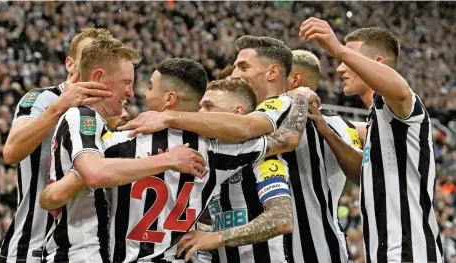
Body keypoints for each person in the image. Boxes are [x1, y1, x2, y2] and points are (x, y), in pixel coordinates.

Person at [42, 58, 308, 263]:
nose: (141, 95)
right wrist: (298, 97)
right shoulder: (219, 152)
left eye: (149, 87)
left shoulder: (115, 143)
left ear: (169, 99)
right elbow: (287, 139)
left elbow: (52, 198)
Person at [121, 36, 347, 263]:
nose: (201, 115)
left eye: (244, 66)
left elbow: (281, 217)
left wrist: (299, 97)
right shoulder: (212, 153)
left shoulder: (261, 141)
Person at [41, 39, 207, 263]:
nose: (130, 92)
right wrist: (168, 159)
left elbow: (53, 195)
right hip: (79, 252)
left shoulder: (98, 125)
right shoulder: (82, 116)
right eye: (126, 83)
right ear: (99, 77)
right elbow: (94, 173)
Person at [300, 17, 443, 263]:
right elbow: (365, 176)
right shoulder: (375, 123)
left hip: (410, 254)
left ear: (378, 64)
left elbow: (399, 89)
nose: (340, 68)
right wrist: (327, 133)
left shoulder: (402, 107)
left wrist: (338, 49)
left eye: (347, 60)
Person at [0, 28, 113, 263]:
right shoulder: (43, 98)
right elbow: (10, 152)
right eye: (88, 59)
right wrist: (60, 107)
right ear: (70, 64)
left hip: (81, 251)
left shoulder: (107, 116)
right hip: (30, 247)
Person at [287, 49, 362, 259]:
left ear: (295, 79)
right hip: (318, 245)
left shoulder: (337, 125)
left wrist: (327, 134)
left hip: (318, 246)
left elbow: (360, 173)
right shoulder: (343, 125)